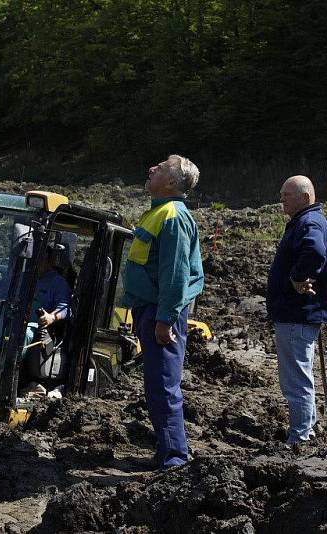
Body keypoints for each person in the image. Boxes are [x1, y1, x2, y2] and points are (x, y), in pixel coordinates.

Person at [122, 154, 204, 470]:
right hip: (151, 309)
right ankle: (166, 451)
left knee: (163, 385)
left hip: (161, 312)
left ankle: (174, 460)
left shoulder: (173, 216)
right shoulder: (158, 213)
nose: (152, 167)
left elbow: (175, 274)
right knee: (156, 385)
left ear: (171, 182)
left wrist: (164, 319)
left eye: (161, 167)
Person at [266, 175, 327, 449]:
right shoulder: (307, 221)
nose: (281, 199)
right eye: (281, 194)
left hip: (297, 313)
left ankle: (300, 437)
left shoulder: (309, 222)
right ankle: (308, 430)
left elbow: (315, 252)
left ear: (305, 197)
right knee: (299, 374)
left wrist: (297, 278)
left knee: (295, 379)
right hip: (298, 313)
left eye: (287, 195)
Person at [0, 244, 70, 370]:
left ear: (48, 261)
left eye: (40, 260)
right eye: (33, 260)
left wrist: (51, 317)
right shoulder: (20, 277)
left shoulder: (58, 283)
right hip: (9, 318)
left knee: (23, 334)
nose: (34, 264)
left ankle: (4, 373)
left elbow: (65, 307)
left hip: (33, 324)